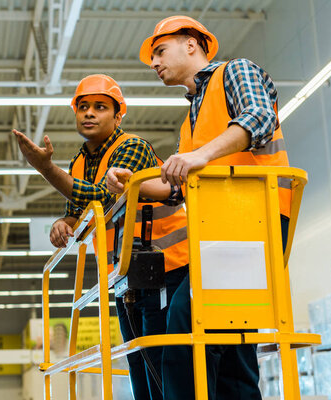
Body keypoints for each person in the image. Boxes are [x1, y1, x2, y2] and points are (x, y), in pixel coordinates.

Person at [107, 15, 291, 400]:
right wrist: (136, 185)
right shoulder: (191, 121)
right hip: (222, 229)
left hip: (255, 221)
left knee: (183, 328)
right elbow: (177, 190)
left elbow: (258, 117)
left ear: (191, 43)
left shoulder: (234, 72)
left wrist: (199, 156)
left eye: (159, 51)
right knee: (232, 347)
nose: (154, 63)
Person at [12, 74, 189, 400]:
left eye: (99, 107)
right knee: (139, 361)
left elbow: (103, 198)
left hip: (167, 268)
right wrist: (62, 224)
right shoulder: (78, 162)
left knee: (163, 361)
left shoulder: (132, 147)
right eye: (83, 107)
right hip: (124, 278)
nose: (89, 113)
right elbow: (78, 213)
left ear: (118, 115)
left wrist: (47, 170)